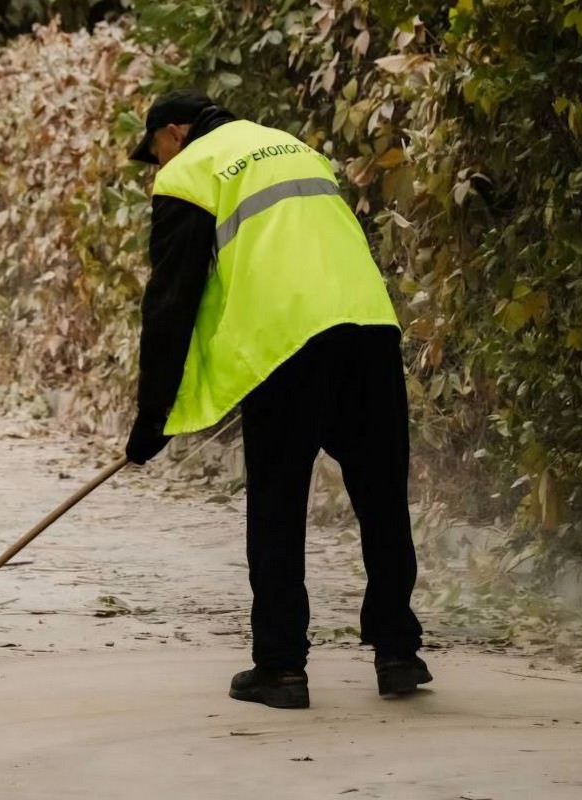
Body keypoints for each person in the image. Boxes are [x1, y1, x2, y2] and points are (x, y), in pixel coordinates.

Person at [126, 89, 430, 709]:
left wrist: (152, 414)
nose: (153, 167)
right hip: (369, 325)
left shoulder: (189, 171)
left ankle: (281, 669)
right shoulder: (296, 149)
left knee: (277, 503)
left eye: (152, 151)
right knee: (381, 494)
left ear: (175, 132)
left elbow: (171, 300)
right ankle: (398, 653)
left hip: (285, 342)